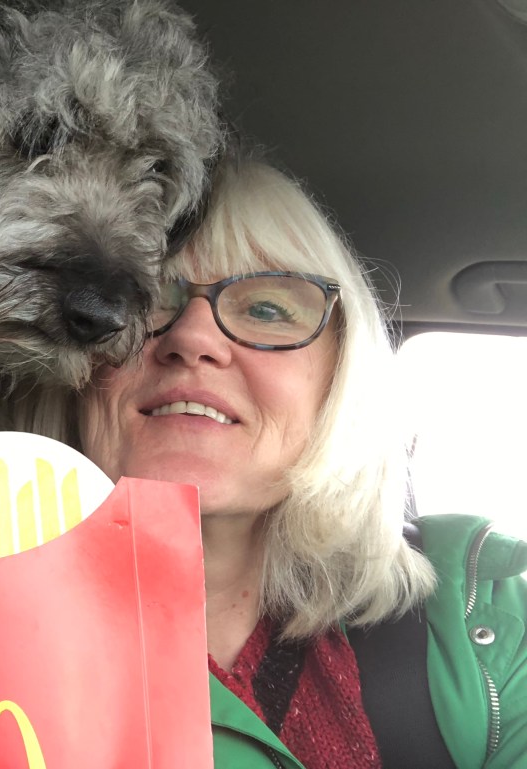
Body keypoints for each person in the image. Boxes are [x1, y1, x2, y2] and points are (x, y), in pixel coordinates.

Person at [61, 157, 527, 767]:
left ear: (338, 380)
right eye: (140, 300)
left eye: (265, 310)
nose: (192, 338)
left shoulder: (476, 618)